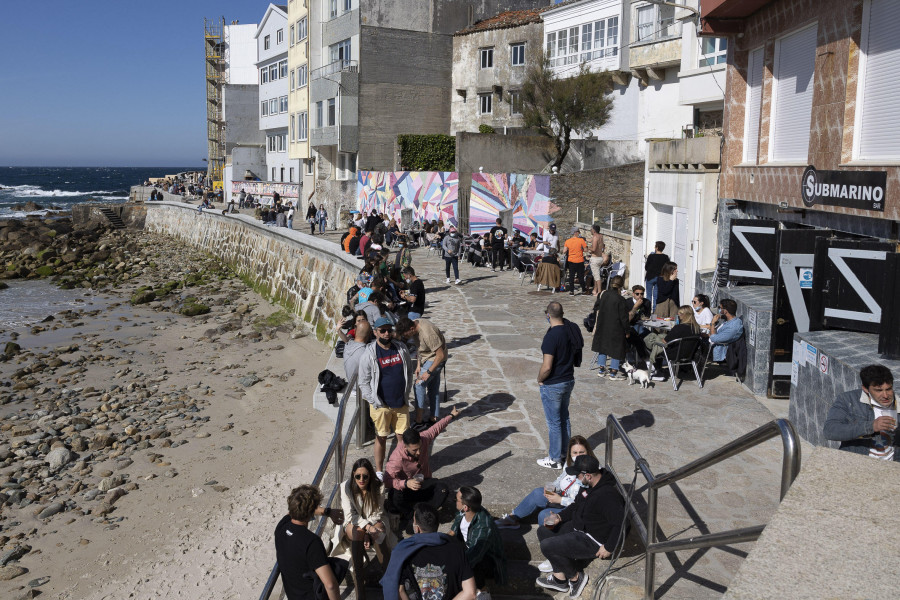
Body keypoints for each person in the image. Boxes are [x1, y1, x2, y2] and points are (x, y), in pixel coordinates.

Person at [535, 456, 626, 599]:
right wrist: (560, 517)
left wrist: (609, 547)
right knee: (544, 531)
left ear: (588, 476)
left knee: (547, 546)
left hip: (593, 539)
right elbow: (576, 505)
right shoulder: (588, 487)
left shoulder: (607, 496)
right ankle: (559, 579)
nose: (575, 478)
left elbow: (620, 523)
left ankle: (576, 578)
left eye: (578, 475)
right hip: (580, 527)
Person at [495, 436, 595, 530]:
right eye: (575, 453)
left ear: (588, 452)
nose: (577, 456)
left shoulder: (592, 473)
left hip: (572, 508)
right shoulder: (570, 464)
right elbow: (560, 480)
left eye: (581, 452)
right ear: (570, 453)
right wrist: (554, 487)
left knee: (543, 515)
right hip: (562, 498)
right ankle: (511, 519)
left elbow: (583, 503)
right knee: (538, 493)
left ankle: (553, 537)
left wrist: (560, 500)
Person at [383, 406, 461, 524]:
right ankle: (412, 516)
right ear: (405, 446)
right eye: (414, 450)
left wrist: (451, 416)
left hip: (423, 483)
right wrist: (405, 483)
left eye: (419, 448)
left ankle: (425, 512)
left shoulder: (424, 439)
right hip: (407, 488)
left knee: (443, 489)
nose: (419, 452)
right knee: (395, 496)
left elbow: (436, 428)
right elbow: (387, 481)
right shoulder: (396, 458)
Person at [381, 503, 476, 600]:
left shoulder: (403, 552)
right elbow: (470, 593)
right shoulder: (456, 549)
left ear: (417, 528)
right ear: (437, 525)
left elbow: (398, 591)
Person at [358, 316, 414, 478]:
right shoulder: (368, 354)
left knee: (402, 438)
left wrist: (407, 392)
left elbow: (408, 372)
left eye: (389, 330)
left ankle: (401, 466)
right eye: (382, 330)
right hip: (381, 405)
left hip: (400, 402)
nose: (387, 333)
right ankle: (379, 470)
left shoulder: (401, 348)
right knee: (381, 437)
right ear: (375, 333)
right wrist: (374, 401)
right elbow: (363, 382)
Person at [331, 458, 392, 600]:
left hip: (374, 520)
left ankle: (388, 577)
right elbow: (350, 515)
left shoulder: (379, 486)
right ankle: (359, 583)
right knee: (358, 532)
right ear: (353, 475)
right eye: (358, 476)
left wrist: (369, 531)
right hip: (353, 522)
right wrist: (366, 529)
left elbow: (377, 512)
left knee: (378, 534)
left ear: (370, 475)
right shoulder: (346, 487)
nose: (361, 480)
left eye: (365, 476)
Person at [274, 484, 348, 600]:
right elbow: (330, 584)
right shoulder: (311, 541)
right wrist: (326, 511)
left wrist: (326, 512)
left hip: (292, 595)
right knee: (338, 565)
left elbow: (291, 513)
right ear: (312, 511)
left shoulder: (281, 527)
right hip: (311, 596)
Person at [537, 301, 583, 470]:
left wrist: (539, 379)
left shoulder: (551, 336)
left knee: (554, 423)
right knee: (564, 418)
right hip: (568, 380)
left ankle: (555, 458)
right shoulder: (569, 329)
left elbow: (547, 366)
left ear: (548, 315)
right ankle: (565, 453)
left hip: (554, 384)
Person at [823, 364, 898, 461]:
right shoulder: (848, 400)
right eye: (878, 390)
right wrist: (871, 426)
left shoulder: (898, 404)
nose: (885, 395)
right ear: (865, 389)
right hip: (857, 463)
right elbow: (829, 431)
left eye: (888, 389)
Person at [449, 486, 506, 600]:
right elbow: (453, 531)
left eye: (456, 500)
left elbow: (473, 557)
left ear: (465, 507)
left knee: (473, 565)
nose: (454, 502)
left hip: (488, 559)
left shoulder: (483, 527)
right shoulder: (466, 511)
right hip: (469, 548)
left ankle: (483, 591)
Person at [396, 316, 447, 429]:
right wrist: (419, 365)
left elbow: (440, 355)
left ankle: (419, 420)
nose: (406, 337)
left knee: (419, 385)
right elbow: (420, 347)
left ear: (411, 328)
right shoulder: (415, 325)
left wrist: (428, 371)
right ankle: (433, 417)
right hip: (427, 358)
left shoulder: (428, 333)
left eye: (406, 334)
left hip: (435, 359)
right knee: (433, 389)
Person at [642, 305, 702, 377]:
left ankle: (658, 371)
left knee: (654, 345)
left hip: (675, 354)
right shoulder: (697, 328)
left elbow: (665, 341)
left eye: (679, 314)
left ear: (683, 315)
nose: (678, 316)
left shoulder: (679, 327)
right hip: (690, 354)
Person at [591, 275, 630, 381]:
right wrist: (627, 330)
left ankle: (601, 369)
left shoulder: (603, 295)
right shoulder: (620, 299)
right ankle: (613, 372)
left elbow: (596, 307)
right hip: (616, 326)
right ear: (621, 286)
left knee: (602, 346)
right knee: (616, 349)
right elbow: (624, 317)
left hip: (603, 324)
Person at [342, 317, 371, 383]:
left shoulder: (348, 345)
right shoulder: (365, 353)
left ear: (355, 331)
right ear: (369, 334)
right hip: (361, 389)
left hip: (351, 385)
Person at [644, 241, 670, 313]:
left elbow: (646, 267)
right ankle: (655, 312)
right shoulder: (665, 257)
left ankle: (647, 311)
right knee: (656, 296)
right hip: (660, 278)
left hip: (650, 277)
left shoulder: (651, 256)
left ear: (657, 247)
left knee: (648, 295)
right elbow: (667, 268)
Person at [563, 228, 588, 296]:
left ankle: (571, 291)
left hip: (571, 260)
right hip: (579, 260)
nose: (579, 233)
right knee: (580, 276)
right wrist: (581, 249)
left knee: (571, 276)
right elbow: (586, 250)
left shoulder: (567, 241)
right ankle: (583, 290)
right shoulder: (581, 240)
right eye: (578, 232)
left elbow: (564, 251)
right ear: (576, 233)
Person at [589, 225, 605, 296]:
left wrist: (587, 248)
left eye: (591, 229)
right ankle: (595, 290)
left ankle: (599, 292)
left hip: (595, 259)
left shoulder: (595, 237)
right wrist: (584, 239)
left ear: (594, 231)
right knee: (596, 275)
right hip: (600, 258)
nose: (590, 230)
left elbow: (594, 249)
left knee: (597, 276)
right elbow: (602, 246)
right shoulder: (600, 236)